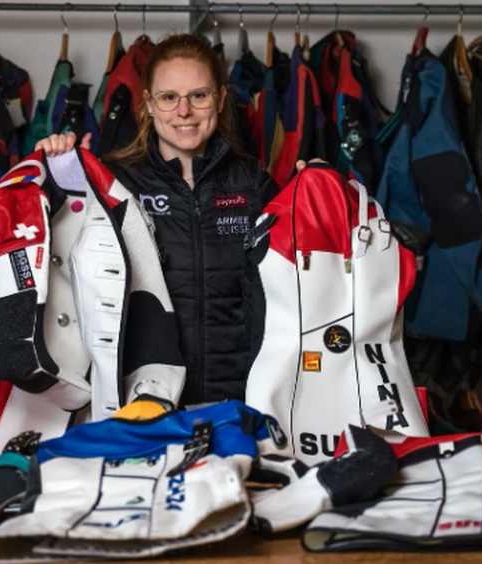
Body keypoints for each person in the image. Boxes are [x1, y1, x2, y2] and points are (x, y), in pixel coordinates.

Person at [38, 33, 317, 407]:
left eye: (198, 96)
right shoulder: (115, 183)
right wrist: (60, 176)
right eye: (169, 98)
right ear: (149, 104)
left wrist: (317, 191)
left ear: (219, 99)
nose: (184, 111)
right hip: (143, 400)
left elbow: (299, 281)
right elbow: (61, 268)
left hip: (240, 400)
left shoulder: (252, 182)